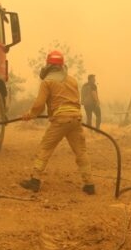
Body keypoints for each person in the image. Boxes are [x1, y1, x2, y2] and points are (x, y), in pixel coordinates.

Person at [20, 50, 95, 195]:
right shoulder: (72, 80)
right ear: (62, 66)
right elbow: (75, 101)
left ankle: (35, 181)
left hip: (60, 120)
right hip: (76, 119)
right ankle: (89, 184)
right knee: (81, 152)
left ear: (48, 65)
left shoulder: (47, 81)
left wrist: (30, 115)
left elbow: (39, 104)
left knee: (45, 148)